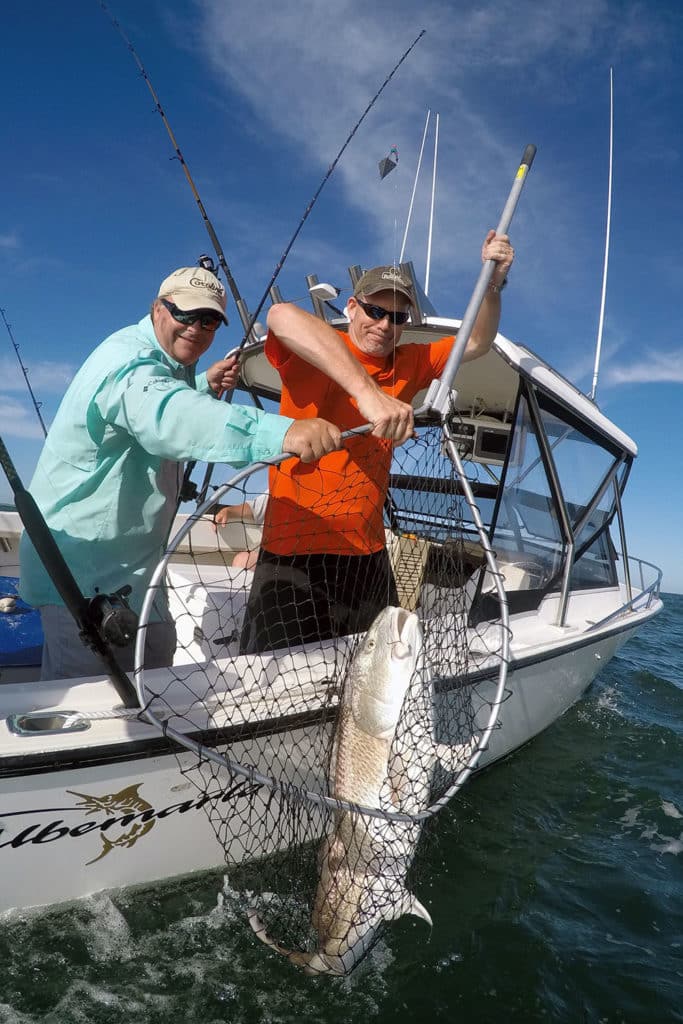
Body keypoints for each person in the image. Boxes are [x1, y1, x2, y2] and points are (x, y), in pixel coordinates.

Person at [20, 266, 412, 680]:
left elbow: (168, 402)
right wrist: (286, 432)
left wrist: (203, 386)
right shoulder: (128, 363)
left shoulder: (169, 364)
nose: (197, 328)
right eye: (184, 314)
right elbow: (170, 417)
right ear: (156, 309)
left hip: (136, 573)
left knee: (155, 671)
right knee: (93, 703)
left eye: (209, 320)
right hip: (81, 572)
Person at [240, 230, 514, 654]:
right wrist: (368, 395)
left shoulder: (412, 362)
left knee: (379, 674)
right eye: (373, 310)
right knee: (268, 682)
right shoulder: (315, 353)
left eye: (398, 317)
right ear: (351, 307)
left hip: (366, 556)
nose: (384, 324)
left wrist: (493, 283)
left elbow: (477, 340)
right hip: (292, 555)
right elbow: (279, 316)